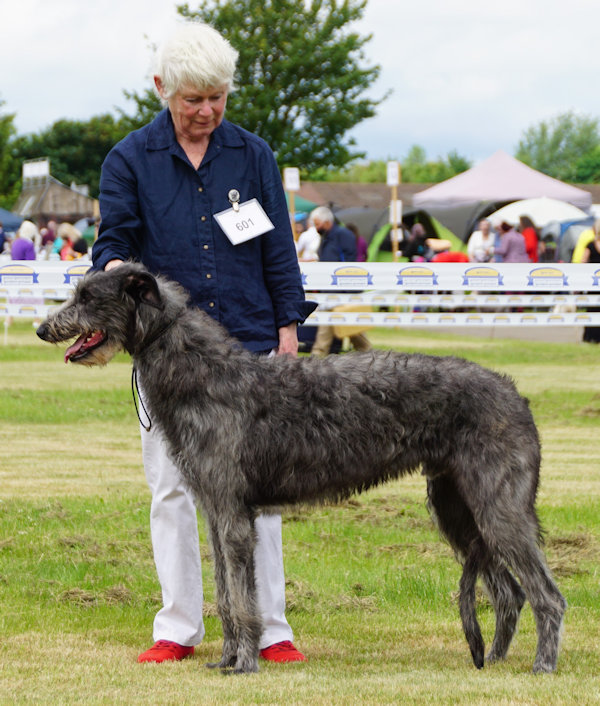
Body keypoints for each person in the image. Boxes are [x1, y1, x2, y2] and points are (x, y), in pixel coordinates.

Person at [92, 21, 315, 665]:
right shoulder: (128, 160)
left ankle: (271, 628)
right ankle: (179, 625)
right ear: (163, 89)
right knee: (171, 486)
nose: (207, 111)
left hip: (249, 342)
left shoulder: (254, 155)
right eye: (194, 99)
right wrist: (110, 269)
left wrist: (288, 326)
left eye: (217, 97)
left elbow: (278, 248)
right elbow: (117, 239)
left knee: (259, 490)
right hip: (168, 354)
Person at [309, 206, 371, 356]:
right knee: (344, 329)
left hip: (342, 291)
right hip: (330, 291)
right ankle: (370, 355)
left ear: (327, 221)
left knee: (348, 330)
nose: (316, 227)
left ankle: (316, 359)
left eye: (318, 224)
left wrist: (347, 287)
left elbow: (349, 261)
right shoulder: (327, 238)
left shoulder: (343, 235)